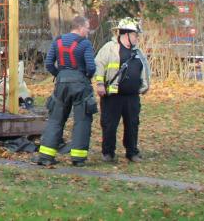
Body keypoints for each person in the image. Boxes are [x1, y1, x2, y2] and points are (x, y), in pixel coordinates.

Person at [36, 14, 98, 167]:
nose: (88, 32)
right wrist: (85, 77)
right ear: (80, 27)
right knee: (82, 119)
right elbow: (91, 67)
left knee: (55, 118)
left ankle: (46, 156)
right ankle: (78, 158)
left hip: (61, 84)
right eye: (87, 28)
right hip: (80, 84)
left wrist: (61, 75)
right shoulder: (85, 44)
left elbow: (49, 63)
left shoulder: (58, 41)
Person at [94, 18, 151, 163]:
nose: (137, 37)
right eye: (135, 35)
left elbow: (144, 70)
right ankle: (108, 153)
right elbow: (99, 65)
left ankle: (132, 152)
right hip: (113, 96)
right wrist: (100, 84)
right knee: (109, 125)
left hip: (132, 96)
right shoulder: (110, 48)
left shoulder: (138, 52)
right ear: (126, 34)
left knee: (132, 124)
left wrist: (145, 85)